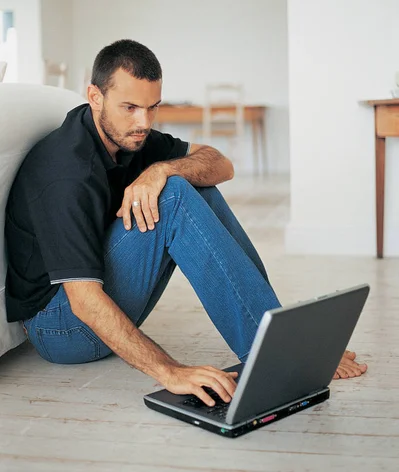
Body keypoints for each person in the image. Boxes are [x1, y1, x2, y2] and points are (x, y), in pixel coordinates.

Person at [5, 39, 367, 408]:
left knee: (189, 181)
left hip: (88, 307)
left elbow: (221, 165)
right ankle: (279, 354)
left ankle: (277, 339)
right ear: (95, 96)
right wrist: (169, 371)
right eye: (129, 107)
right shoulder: (66, 173)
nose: (143, 123)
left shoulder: (129, 135)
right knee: (174, 195)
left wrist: (163, 168)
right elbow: (83, 302)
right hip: (61, 328)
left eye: (152, 108)